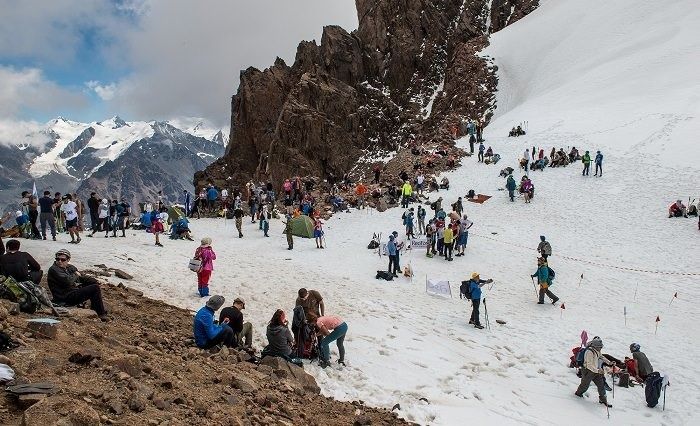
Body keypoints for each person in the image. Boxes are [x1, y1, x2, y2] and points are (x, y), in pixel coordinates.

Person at [47, 249, 108, 321]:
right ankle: (100, 313)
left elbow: (81, 277)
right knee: (95, 288)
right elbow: (68, 281)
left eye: (63, 260)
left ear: (68, 260)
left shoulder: (68, 267)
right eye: (58, 259)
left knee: (93, 284)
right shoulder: (54, 269)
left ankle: (95, 308)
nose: (60, 261)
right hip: (64, 298)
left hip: (70, 292)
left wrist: (95, 281)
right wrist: (76, 274)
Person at [575, 336, 613, 407]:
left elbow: (601, 357)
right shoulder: (589, 352)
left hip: (596, 370)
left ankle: (603, 399)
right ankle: (578, 394)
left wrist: (609, 362)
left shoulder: (597, 350)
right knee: (584, 385)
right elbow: (588, 365)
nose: (601, 348)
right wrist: (598, 370)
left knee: (601, 385)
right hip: (587, 371)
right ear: (595, 346)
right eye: (599, 347)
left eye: (601, 347)